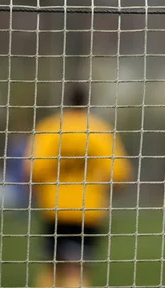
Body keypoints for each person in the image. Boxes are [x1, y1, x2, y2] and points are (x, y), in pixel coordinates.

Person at [24, 85, 133, 287]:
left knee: (52, 267)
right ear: (88, 102)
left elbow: (31, 170)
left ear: (66, 100)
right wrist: (105, 193)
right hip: (88, 211)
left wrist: (39, 192)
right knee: (78, 268)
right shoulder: (100, 131)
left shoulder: (50, 128)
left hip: (54, 209)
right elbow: (119, 174)